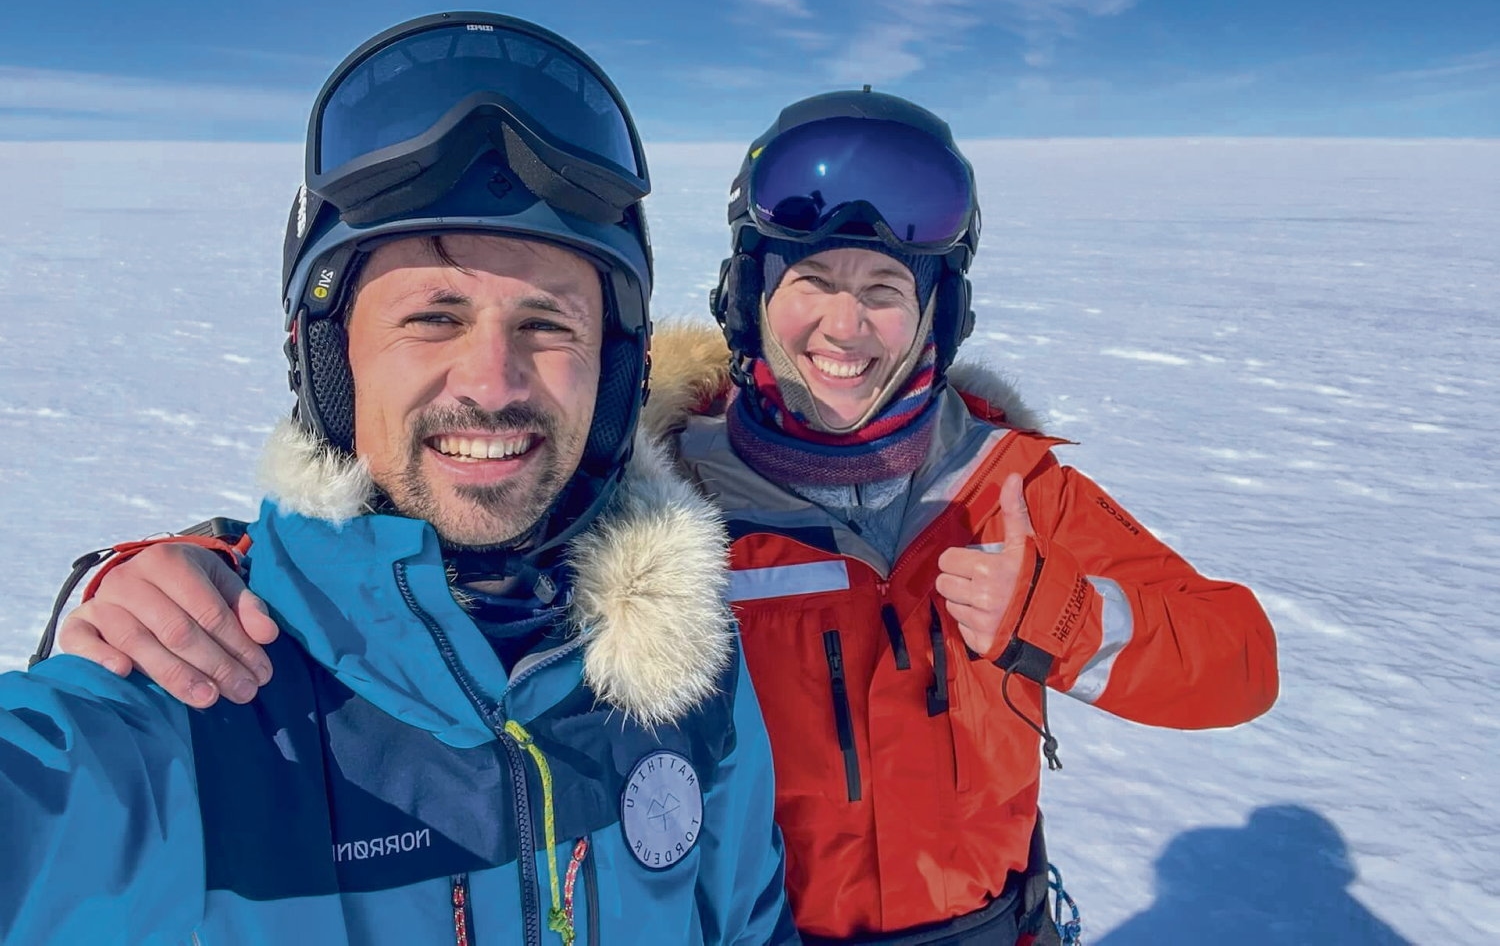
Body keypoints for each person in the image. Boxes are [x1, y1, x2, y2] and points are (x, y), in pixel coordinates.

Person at [58, 89, 1280, 944]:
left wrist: (1056, 617)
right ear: (750, 297)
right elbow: (442, 541)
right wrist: (176, 573)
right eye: (808, 285)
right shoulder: (663, 485)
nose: (843, 331)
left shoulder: (1015, 489)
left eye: (884, 292)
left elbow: (1240, 664)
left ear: (937, 319)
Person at [2, 12, 796, 945]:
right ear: (329, 361)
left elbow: (748, 923)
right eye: (432, 318)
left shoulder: (686, 664)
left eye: (548, 325)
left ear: (616, 370)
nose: (493, 384)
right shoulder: (204, 689)